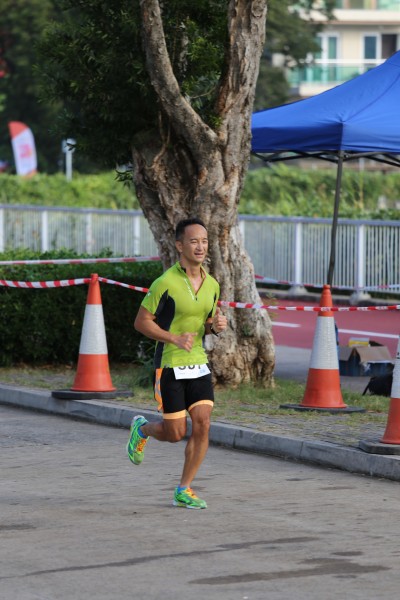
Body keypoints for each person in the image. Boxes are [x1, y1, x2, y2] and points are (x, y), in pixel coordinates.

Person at [126, 217, 227, 509]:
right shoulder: (165, 283)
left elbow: (206, 323)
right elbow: (141, 322)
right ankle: (142, 429)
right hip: (170, 363)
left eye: (204, 241)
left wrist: (215, 326)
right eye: (194, 241)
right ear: (180, 245)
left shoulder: (212, 285)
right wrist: (172, 338)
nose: (200, 247)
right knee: (175, 433)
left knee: (203, 423)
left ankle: (184, 489)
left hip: (198, 361)